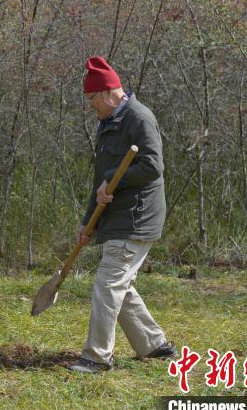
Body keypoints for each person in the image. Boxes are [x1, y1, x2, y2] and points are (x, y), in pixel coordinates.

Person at [68, 56, 175, 374]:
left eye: (91, 100)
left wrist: (115, 175)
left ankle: (97, 357)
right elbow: (101, 180)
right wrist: (88, 222)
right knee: (120, 284)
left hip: (137, 218)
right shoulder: (108, 125)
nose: (91, 106)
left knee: (108, 282)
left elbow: (153, 166)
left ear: (105, 94)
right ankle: (154, 344)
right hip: (116, 219)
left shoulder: (139, 118)